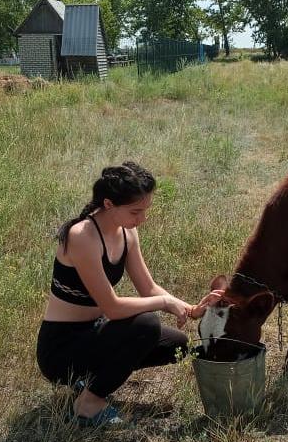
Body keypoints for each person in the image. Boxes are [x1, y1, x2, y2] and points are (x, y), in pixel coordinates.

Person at [36, 161, 196, 427]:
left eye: (145, 210)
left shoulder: (127, 232)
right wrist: (165, 303)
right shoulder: (82, 236)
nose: (142, 219)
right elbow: (112, 308)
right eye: (135, 211)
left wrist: (190, 308)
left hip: (95, 332)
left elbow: (148, 288)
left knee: (177, 345)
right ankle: (87, 404)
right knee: (146, 324)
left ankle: (90, 380)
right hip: (61, 349)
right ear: (108, 204)